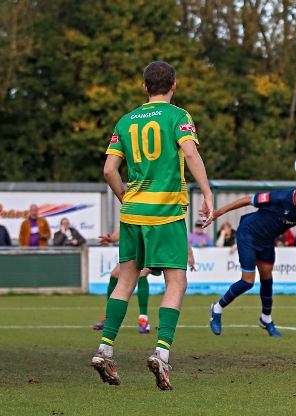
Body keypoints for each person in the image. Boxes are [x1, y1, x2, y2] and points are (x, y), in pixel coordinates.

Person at [91, 61, 214, 390]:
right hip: (167, 213)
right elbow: (189, 154)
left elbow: (108, 170)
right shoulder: (178, 116)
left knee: (125, 281)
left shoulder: (126, 120)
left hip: (132, 213)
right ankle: (161, 353)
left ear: (144, 87)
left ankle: (105, 348)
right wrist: (207, 194)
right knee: (177, 282)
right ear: (174, 85)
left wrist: (126, 199)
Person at [208, 178, 296, 337]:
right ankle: (217, 308)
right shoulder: (279, 197)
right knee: (248, 281)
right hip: (249, 233)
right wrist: (218, 212)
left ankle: (266, 319)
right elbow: (247, 200)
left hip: (267, 241)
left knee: (267, 279)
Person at [92, 227, 196, 334]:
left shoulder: (160, 211)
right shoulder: (132, 211)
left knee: (142, 273)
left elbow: (179, 227)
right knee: (115, 274)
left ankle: (143, 319)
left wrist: (189, 252)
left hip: (155, 248)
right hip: (138, 248)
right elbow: (121, 229)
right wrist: (111, 239)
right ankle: (109, 317)